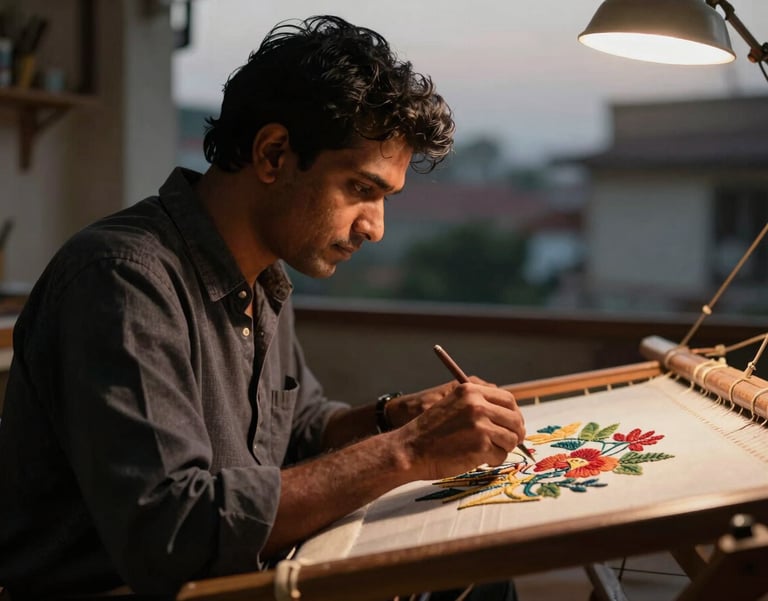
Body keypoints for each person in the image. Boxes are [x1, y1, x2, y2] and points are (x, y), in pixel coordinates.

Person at [0, 15, 525, 600]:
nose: (375, 228)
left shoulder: (263, 275)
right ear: (274, 154)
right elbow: (174, 535)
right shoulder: (122, 281)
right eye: (361, 189)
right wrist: (412, 449)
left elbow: (296, 431)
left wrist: (389, 417)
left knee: (474, 569)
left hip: (238, 579)